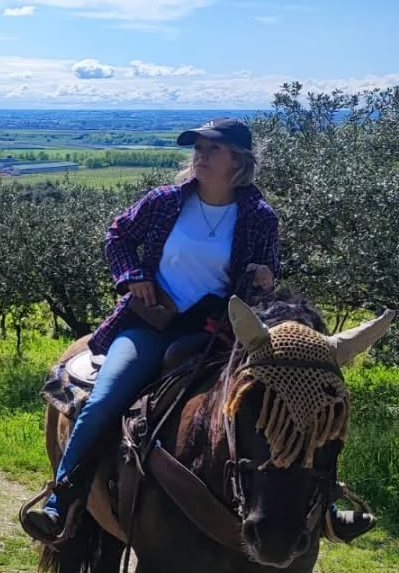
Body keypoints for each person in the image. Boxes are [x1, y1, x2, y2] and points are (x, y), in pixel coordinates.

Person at [21, 118, 371, 544]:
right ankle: (60, 501)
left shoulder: (260, 216)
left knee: (294, 397)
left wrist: (263, 273)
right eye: (197, 148)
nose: (200, 156)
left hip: (222, 333)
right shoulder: (165, 200)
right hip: (153, 323)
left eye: (212, 149)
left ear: (238, 161)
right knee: (105, 397)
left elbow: (267, 268)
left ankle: (325, 506)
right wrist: (132, 276)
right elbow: (118, 235)